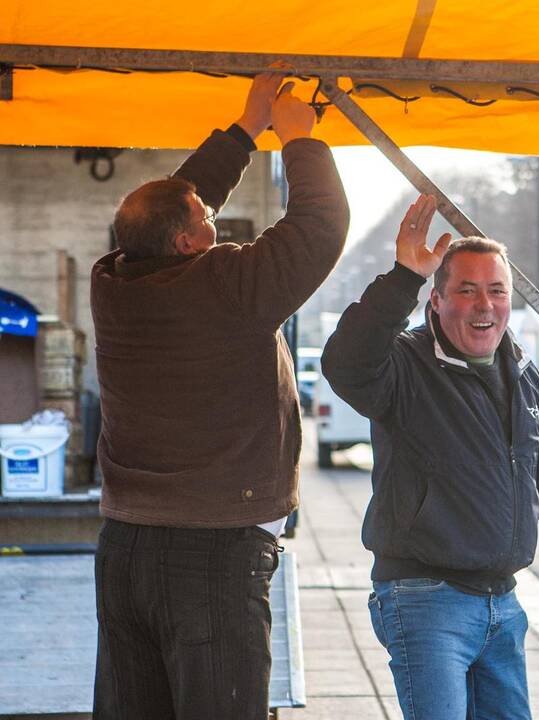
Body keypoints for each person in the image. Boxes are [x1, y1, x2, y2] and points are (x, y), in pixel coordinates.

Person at [90, 72, 349, 718]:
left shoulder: (113, 282)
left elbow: (168, 208)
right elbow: (320, 225)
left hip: (125, 547)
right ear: (188, 243)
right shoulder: (229, 288)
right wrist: (297, 140)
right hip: (210, 553)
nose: (212, 222)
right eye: (206, 221)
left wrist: (243, 128)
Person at [321, 194, 539, 720]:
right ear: (436, 300)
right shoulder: (404, 364)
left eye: (497, 291)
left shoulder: (523, 373)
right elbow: (346, 364)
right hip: (425, 598)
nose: (484, 305)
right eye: (467, 291)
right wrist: (403, 276)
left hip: (503, 603)